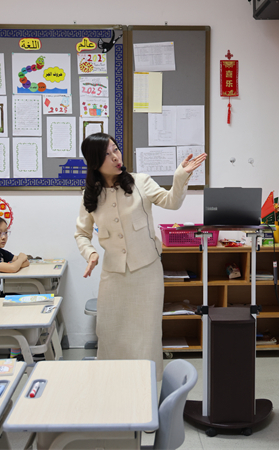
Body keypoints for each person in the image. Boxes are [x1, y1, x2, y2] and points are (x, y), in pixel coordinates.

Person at [75, 133, 206, 379]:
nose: (115, 156)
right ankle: (111, 388)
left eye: (115, 149)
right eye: (107, 154)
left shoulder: (141, 182)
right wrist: (90, 253)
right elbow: (81, 234)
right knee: (110, 332)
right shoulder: (90, 195)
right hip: (113, 276)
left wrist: (180, 177)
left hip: (147, 273)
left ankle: (147, 391)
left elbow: (171, 202)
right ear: (94, 162)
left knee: (147, 335)